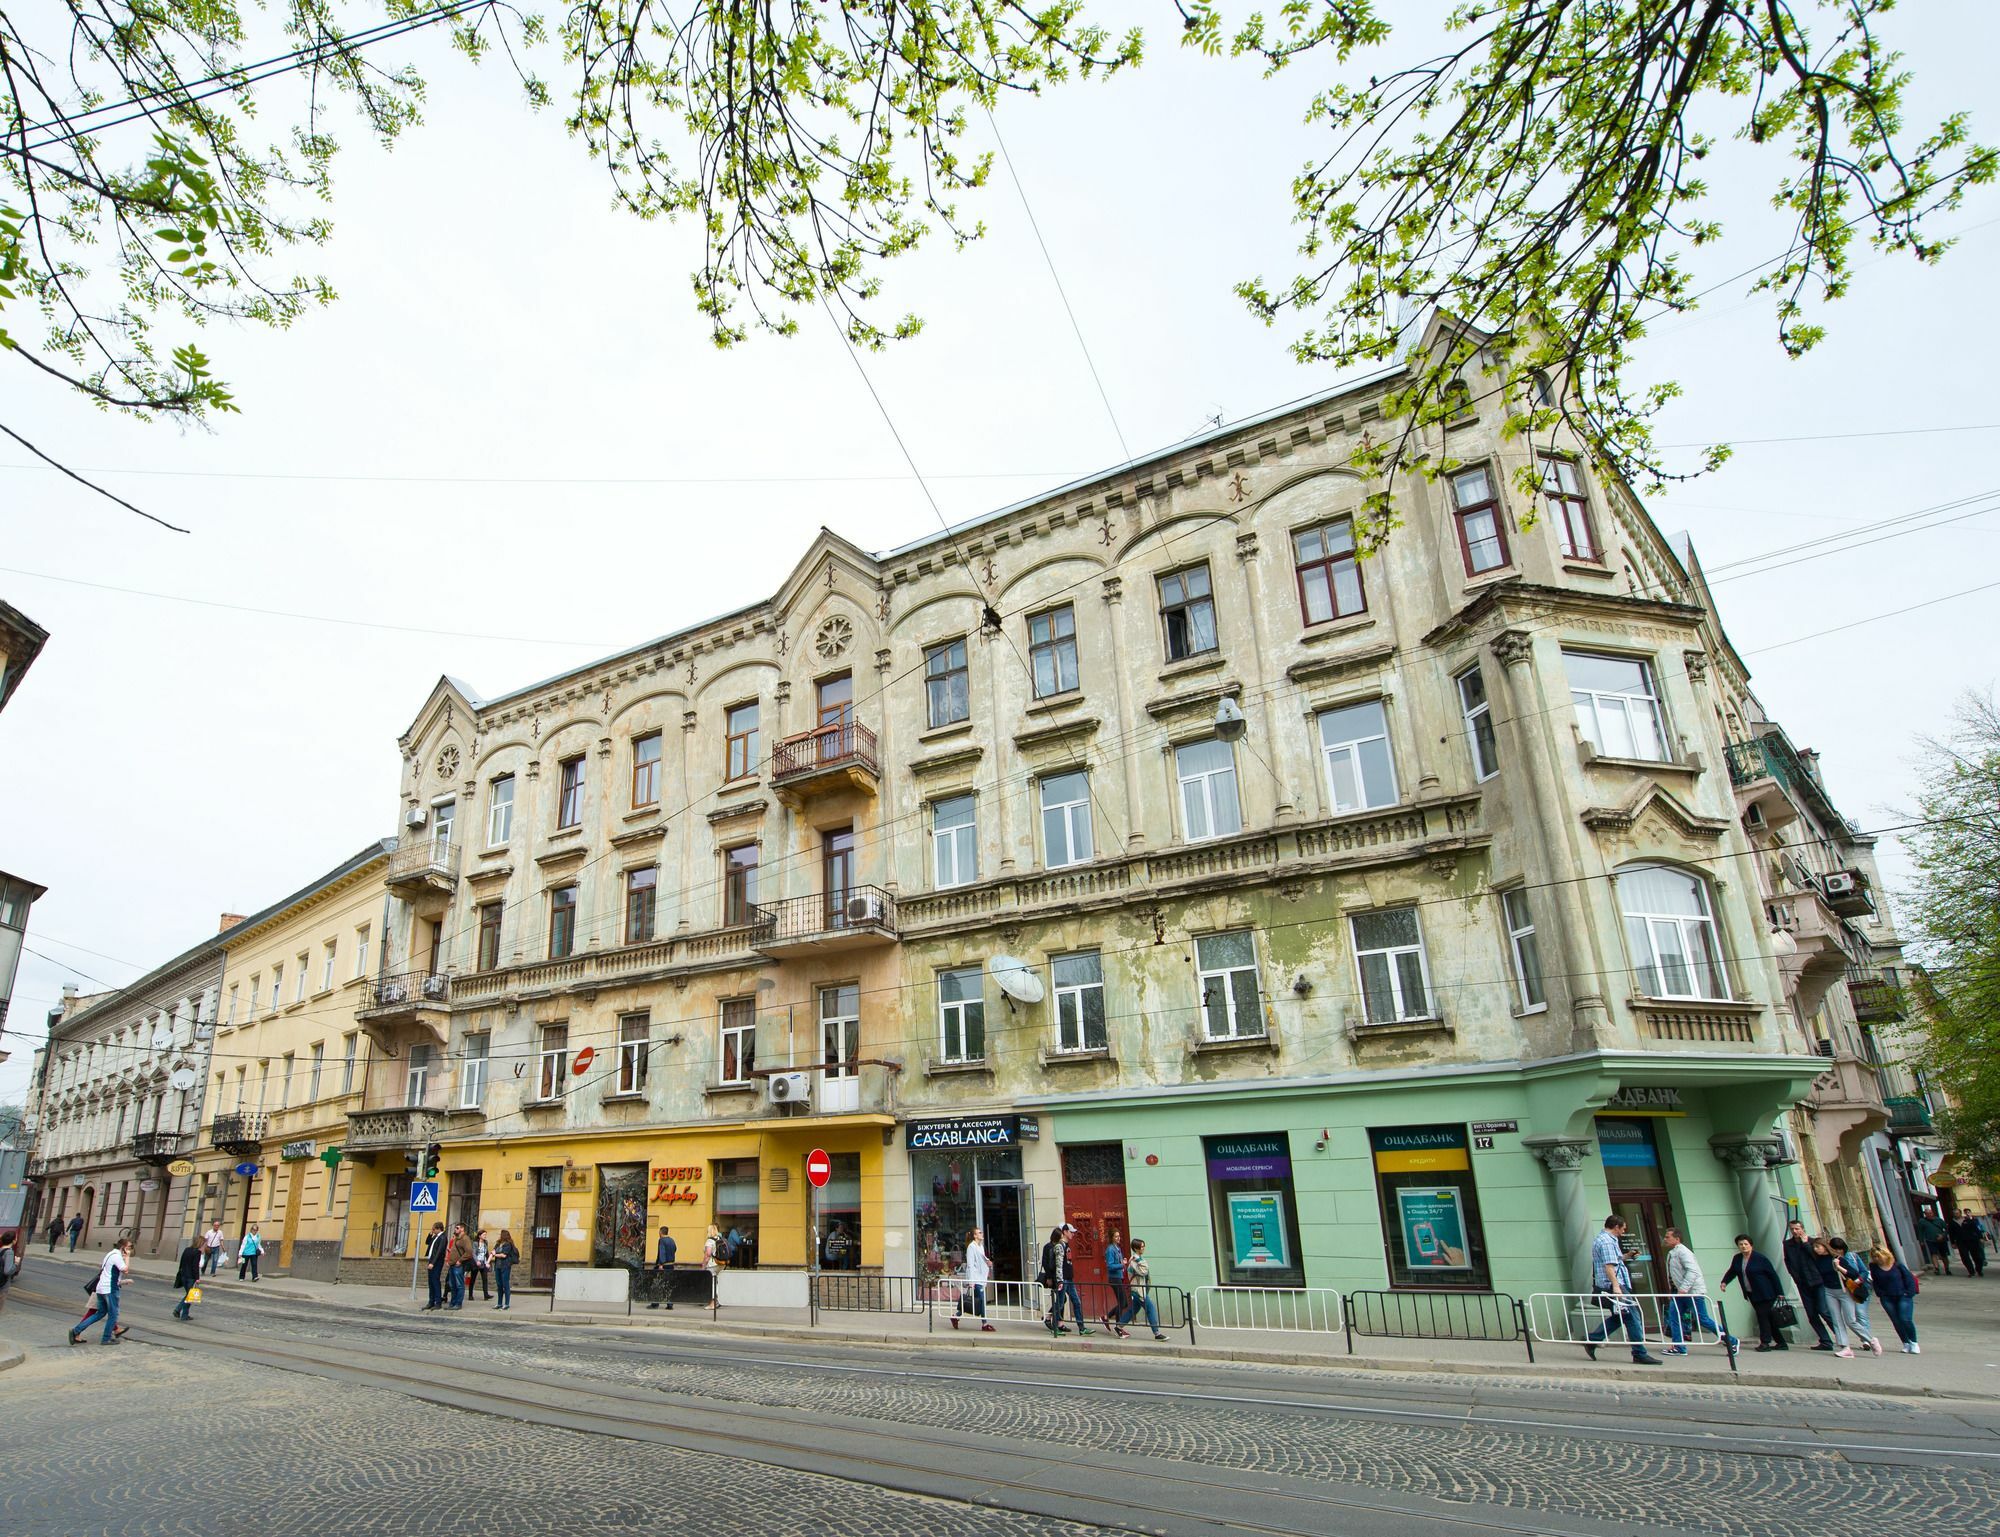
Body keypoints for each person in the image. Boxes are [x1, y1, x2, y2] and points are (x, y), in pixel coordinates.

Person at [1582, 1215, 1662, 1365]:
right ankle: (1639, 1353)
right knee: (1633, 1317)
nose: (1623, 1232)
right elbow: (1609, 1266)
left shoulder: (1606, 1239)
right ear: (1616, 1227)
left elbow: (1615, 1260)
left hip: (1615, 1285)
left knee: (1621, 1316)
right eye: (1623, 1229)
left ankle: (1592, 1340)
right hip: (1615, 1286)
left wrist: (1628, 1256)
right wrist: (1617, 1287)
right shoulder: (1606, 1241)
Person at [1661, 1228, 1736, 1353]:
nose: (1665, 1239)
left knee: (1702, 1319)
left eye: (1668, 1237)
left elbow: (1693, 1271)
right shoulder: (1673, 1253)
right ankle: (1679, 1346)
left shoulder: (1684, 1252)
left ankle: (1732, 1341)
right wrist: (1673, 1291)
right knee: (1674, 1317)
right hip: (1679, 1292)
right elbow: (1673, 1275)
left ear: (1677, 1239)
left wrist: (1683, 1289)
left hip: (1692, 1292)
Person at [1720, 1234, 1789, 1350]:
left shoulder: (1760, 1258)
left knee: (1762, 1317)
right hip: (1751, 1293)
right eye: (1740, 1244)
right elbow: (1732, 1271)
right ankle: (1781, 1343)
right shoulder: (1737, 1258)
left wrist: (1780, 1293)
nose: (1743, 1246)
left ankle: (1765, 1343)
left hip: (1766, 1293)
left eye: (1746, 1244)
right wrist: (1724, 1282)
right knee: (1768, 1318)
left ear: (1751, 1245)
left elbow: (1773, 1275)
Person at [1823, 1237, 1882, 1358]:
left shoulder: (1850, 1257)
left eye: (1840, 1249)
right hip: (1834, 1290)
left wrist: (1858, 1280)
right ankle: (1846, 1347)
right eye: (1835, 1249)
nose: (1838, 1252)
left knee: (1856, 1316)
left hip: (1852, 1289)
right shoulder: (1825, 1259)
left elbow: (1861, 1272)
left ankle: (1869, 1340)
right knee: (1838, 1319)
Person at [1783, 1219, 1837, 1350]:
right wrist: (1794, 1275)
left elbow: (1816, 1257)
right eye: (1792, 1229)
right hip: (1802, 1282)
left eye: (1797, 1229)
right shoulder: (1788, 1244)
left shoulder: (1813, 1242)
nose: (1795, 1231)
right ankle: (1825, 1340)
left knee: (1823, 1310)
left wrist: (1806, 1244)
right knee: (1811, 1314)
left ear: (1802, 1229)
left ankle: (1840, 1336)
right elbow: (1788, 1261)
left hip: (1817, 1281)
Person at [70, 1237, 133, 1345]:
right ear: (123, 1247)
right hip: (109, 1289)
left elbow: (110, 1273)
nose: (130, 1250)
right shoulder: (117, 1257)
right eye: (128, 1248)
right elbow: (125, 1269)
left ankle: (76, 1331)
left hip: (101, 1288)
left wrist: (123, 1281)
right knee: (113, 1315)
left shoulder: (110, 1254)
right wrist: (127, 1257)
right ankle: (106, 1338)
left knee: (100, 1313)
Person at [1868, 1244, 1920, 1354]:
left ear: (1885, 1255)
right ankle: (1905, 1342)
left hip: (1903, 1295)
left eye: (1878, 1256)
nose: (1876, 1259)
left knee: (1905, 1318)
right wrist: (1880, 1293)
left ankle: (1914, 1342)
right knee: (1896, 1321)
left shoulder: (1897, 1266)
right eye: (1874, 1257)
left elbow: (1909, 1279)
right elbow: (1875, 1281)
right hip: (1887, 1297)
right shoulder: (1874, 1267)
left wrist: (1908, 1293)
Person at [1118, 1238, 1169, 1341]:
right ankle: (1157, 1333)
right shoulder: (1134, 1261)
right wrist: (1140, 1260)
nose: (1144, 1248)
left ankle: (1118, 1326)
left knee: (1133, 1310)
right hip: (1138, 1290)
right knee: (1151, 1308)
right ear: (1136, 1248)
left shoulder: (1138, 1259)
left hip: (1139, 1289)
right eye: (1142, 1247)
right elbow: (1144, 1272)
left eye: (1144, 1246)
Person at [953, 1226, 993, 1332]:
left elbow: (981, 1260)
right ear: (975, 1235)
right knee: (981, 1301)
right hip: (976, 1279)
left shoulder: (980, 1246)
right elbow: (970, 1264)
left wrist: (987, 1264)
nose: (982, 1234)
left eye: (981, 1232)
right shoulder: (971, 1247)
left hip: (980, 1277)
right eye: (979, 1233)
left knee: (971, 1301)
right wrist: (971, 1281)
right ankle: (985, 1324)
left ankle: (956, 1316)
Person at [1101, 1228, 1131, 1339]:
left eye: (1119, 1236)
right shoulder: (1110, 1249)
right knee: (1122, 1302)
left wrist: (1123, 1262)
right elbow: (1110, 1265)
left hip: (1119, 1277)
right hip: (1114, 1278)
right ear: (1112, 1238)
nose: (1118, 1238)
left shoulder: (1117, 1248)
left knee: (1124, 1303)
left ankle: (1106, 1317)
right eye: (1116, 1236)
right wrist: (1121, 1264)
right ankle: (1118, 1327)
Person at [172, 1235, 204, 1321]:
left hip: (183, 1275)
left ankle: (182, 1313)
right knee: (190, 1296)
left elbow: (182, 1262)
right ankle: (179, 1311)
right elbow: (195, 1266)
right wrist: (197, 1278)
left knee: (188, 1295)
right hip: (191, 1277)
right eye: (203, 1244)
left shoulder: (187, 1250)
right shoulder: (197, 1252)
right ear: (200, 1243)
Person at [647, 1225, 678, 1309]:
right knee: (668, 1284)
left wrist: (661, 1264)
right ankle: (670, 1304)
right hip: (671, 1265)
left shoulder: (662, 1240)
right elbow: (675, 1249)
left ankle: (655, 1303)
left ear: (660, 1232)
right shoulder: (672, 1240)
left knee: (656, 1284)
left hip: (663, 1265)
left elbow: (662, 1252)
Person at [445, 1223, 473, 1308]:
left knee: (459, 1285)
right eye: (455, 1228)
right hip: (452, 1265)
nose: (455, 1229)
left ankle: (458, 1303)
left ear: (462, 1229)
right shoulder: (456, 1239)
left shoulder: (465, 1239)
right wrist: (449, 1261)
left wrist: (460, 1261)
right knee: (452, 1285)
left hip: (458, 1265)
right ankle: (452, 1302)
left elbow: (469, 1252)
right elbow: (453, 1251)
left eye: (457, 1228)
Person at [1916, 1211, 1950, 1277]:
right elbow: (1920, 1231)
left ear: (1933, 1213)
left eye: (1930, 1213)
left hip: (1941, 1240)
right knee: (1933, 1254)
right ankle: (1936, 1268)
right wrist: (1921, 1241)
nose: (1929, 1215)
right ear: (1925, 1214)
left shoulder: (1939, 1220)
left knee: (1944, 1255)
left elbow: (1946, 1229)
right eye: (1927, 1214)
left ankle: (1947, 1268)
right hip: (1930, 1240)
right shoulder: (1922, 1221)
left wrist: (1942, 1235)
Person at [422, 1222, 448, 1311]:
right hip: (431, 1260)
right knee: (431, 1282)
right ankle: (431, 1301)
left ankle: (438, 1302)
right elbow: (427, 1242)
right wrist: (430, 1234)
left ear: (438, 1228)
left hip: (437, 1261)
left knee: (435, 1281)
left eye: (433, 1229)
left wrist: (433, 1263)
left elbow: (439, 1251)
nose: (433, 1230)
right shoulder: (435, 1237)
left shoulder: (443, 1237)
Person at [492, 1230, 519, 1310]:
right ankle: (499, 1303)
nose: (500, 1235)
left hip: (505, 1266)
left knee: (505, 1284)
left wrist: (495, 1254)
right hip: (497, 1266)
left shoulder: (508, 1244)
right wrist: (493, 1253)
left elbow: (504, 1255)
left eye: (501, 1234)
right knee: (499, 1284)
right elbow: (493, 1250)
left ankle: (507, 1303)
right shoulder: (498, 1243)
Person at [1956, 1212, 1989, 1277]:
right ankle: (1971, 1271)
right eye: (1954, 1213)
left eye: (1957, 1213)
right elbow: (1951, 1233)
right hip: (1961, 1242)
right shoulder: (1952, 1222)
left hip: (1972, 1240)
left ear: (1960, 1213)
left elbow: (1976, 1229)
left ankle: (1979, 1269)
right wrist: (1953, 1242)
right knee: (1965, 1257)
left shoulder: (1968, 1221)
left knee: (1977, 1256)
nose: (1955, 1214)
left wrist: (1980, 1238)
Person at [704, 1223, 725, 1310]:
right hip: (721, 1264)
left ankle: (712, 1303)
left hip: (712, 1264)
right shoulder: (720, 1239)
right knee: (716, 1282)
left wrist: (704, 1264)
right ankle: (716, 1301)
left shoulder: (710, 1241)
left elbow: (708, 1254)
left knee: (712, 1283)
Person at [471, 1230, 493, 1301]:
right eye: (484, 1235)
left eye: (485, 1235)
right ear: (479, 1236)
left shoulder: (485, 1242)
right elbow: (473, 1253)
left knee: (485, 1279)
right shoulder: (475, 1243)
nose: (485, 1236)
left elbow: (486, 1253)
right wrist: (476, 1261)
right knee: (473, 1278)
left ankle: (486, 1295)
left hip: (483, 1263)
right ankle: (470, 1295)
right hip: (476, 1263)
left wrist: (488, 1262)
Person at [0, 1229, 18, 1313]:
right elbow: (7, 1270)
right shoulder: (9, 1252)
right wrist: (16, 1264)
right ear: (13, 1241)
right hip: (2, 1286)